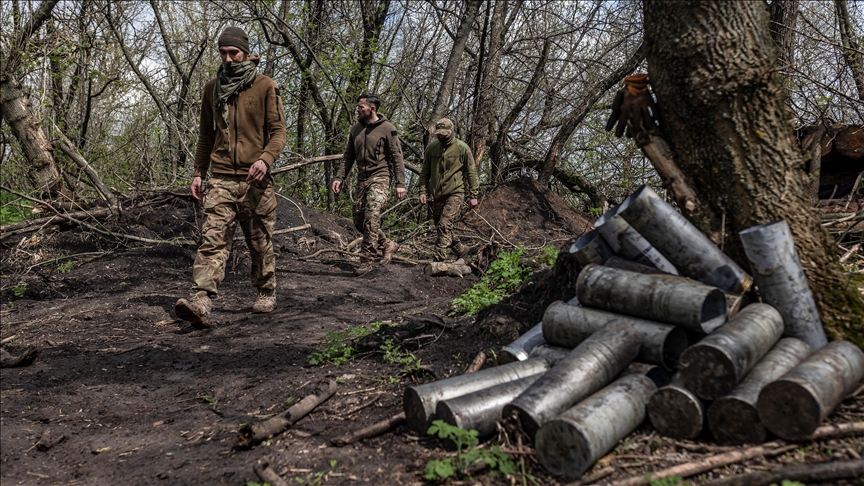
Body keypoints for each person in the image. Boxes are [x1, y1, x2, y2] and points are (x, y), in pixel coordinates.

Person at [175, 27, 286, 328]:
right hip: (221, 177)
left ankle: (266, 290)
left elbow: (278, 133)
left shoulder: (265, 86)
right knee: (212, 239)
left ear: (245, 52)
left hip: (255, 180)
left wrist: (265, 159)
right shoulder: (212, 88)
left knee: (259, 239)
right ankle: (202, 300)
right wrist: (198, 173)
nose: (227, 58)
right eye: (222, 53)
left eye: (233, 53)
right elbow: (205, 137)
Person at [331, 93, 406, 271]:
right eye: (357, 107)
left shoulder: (388, 128)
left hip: (380, 177)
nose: (357, 110)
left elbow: (397, 157)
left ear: (372, 108)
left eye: (361, 108)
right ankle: (387, 244)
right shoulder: (355, 129)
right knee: (358, 221)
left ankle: (366, 260)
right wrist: (339, 177)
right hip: (361, 179)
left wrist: (400, 183)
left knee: (371, 217)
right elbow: (348, 156)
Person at [418, 118, 479, 262]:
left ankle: (438, 260)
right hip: (437, 194)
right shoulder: (432, 148)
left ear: (451, 131)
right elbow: (425, 171)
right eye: (438, 133)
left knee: (444, 225)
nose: (441, 136)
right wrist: (422, 191)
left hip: (455, 192)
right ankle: (461, 250)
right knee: (442, 228)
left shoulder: (462, 148)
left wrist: (473, 195)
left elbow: (471, 172)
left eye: (444, 134)